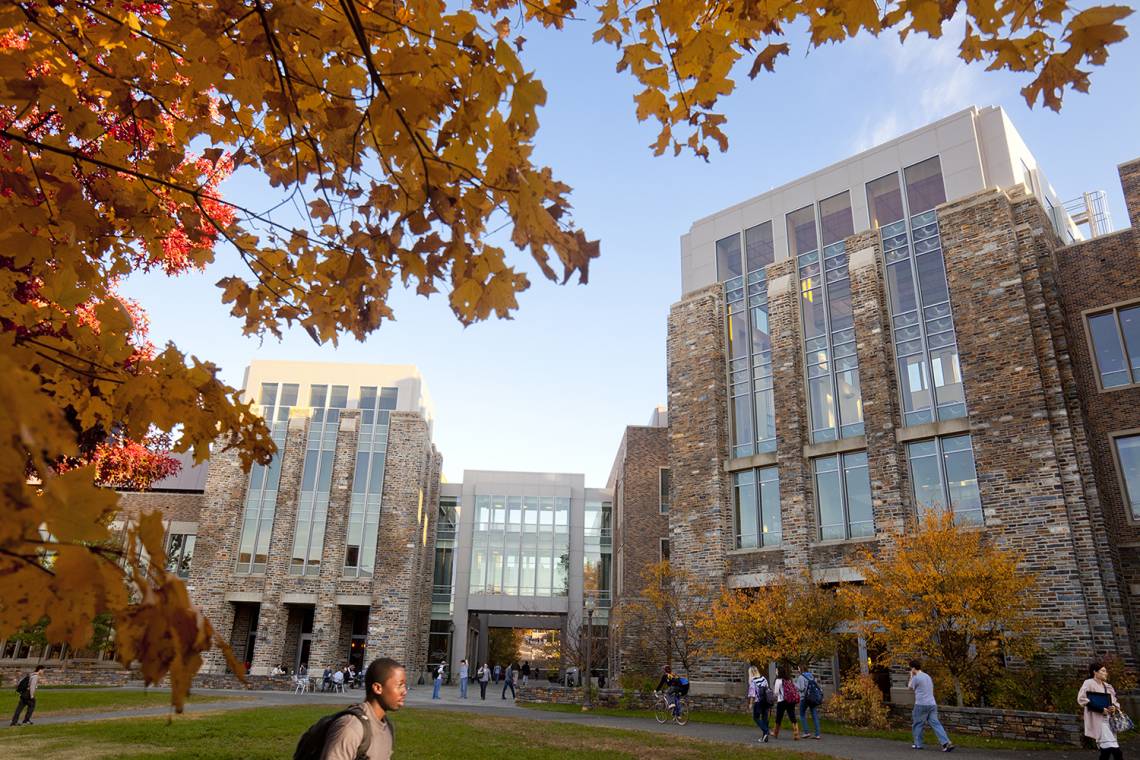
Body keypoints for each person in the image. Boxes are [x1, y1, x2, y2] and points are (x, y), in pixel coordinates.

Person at [318, 657, 405, 760]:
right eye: (399, 685)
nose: (404, 691)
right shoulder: (351, 728)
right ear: (377, 688)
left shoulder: (387, 727)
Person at [1078, 660, 1123, 760]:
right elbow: (1081, 699)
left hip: (1109, 721)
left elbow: (1115, 701)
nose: (1105, 673)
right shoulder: (1089, 683)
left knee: (1106, 752)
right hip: (1098, 722)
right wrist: (1100, 709)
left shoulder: (1107, 686)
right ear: (1095, 672)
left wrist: (1114, 707)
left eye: (1105, 671)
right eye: (1103, 671)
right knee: (1116, 752)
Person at [908, 660, 955, 752]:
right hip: (932, 704)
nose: (910, 670)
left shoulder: (916, 677)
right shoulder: (927, 676)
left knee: (918, 724)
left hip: (921, 704)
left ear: (913, 668)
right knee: (936, 724)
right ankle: (946, 743)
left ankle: (918, 744)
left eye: (910, 668)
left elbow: (910, 687)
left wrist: (911, 676)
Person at [795, 667, 823, 740]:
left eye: (798, 668)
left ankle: (806, 732)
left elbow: (801, 688)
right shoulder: (811, 676)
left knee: (802, 714)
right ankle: (817, 734)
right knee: (814, 715)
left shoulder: (801, 677)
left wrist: (795, 685)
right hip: (812, 698)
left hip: (804, 698)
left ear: (800, 669)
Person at [772, 666, 800, 739]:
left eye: (776, 670)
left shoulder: (778, 680)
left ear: (779, 672)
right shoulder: (788, 679)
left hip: (782, 701)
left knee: (779, 717)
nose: (776, 672)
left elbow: (776, 692)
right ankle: (796, 732)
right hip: (790, 700)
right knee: (792, 716)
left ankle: (775, 732)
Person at [747, 665, 771, 743]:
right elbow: (767, 688)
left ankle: (766, 731)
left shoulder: (753, 681)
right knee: (765, 718)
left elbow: (752, 694)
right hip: (766, 701)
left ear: (751, 673)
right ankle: (765, 737)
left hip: (758, 702)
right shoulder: (763, 678)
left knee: (756, 717)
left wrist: (750, 703)